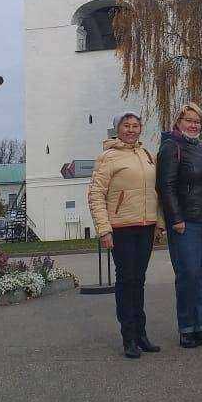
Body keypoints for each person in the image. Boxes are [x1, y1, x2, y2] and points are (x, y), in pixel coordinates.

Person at [88, 111, 165, 359]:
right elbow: (96, 194)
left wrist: (159, 223)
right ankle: (129, 337)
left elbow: (157, 192)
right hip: (121, 227)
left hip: (146, 226)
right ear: (117, 128)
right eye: (126, 125)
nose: (131, 129)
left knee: (139, 280)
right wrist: (104, 229)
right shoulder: (107, 158)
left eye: (135, 125)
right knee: (126, 280)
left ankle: (141, 334)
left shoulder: (147, 155)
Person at [157, 102, 202, 348]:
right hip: (186, 223)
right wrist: (175, 218)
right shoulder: (171, 147)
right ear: (178, 122)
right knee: (188, 275)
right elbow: (166, 186)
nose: (194, 125)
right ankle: (187, 327)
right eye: (189, 120)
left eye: (197, 121)